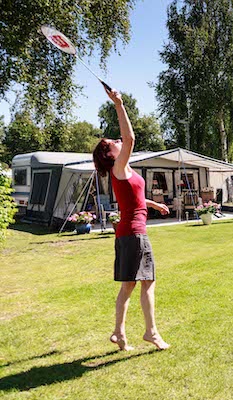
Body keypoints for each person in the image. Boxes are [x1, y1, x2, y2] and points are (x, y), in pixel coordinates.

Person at [92, 88, 170, 351]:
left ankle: (119, 333)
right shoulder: (119, 166)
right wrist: (118, 104)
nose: (117, 140)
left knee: (128, 285)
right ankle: (151, 332)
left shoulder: (122, 171)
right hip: (135, 234)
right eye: (112, 142)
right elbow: (130, 137)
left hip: (126, 232)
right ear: (110, 153)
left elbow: (134, 199)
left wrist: (154, 204)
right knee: (148, 282)